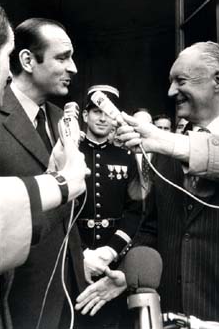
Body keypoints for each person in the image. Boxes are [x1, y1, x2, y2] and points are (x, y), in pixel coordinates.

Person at [116, 42, 219, 328]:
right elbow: (151, 226)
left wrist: (168, 143)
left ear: (218, 80)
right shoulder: (163, 153)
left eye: (181, 81)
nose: (171, 92)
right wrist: (126, 274)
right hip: (173, 315)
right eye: (171, 82)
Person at [0, 17, 88, 329]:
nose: (73, 68)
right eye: (62, 57)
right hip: (16, 298)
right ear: (26, 60)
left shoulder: (61, 118)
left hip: (70, 291)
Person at [76, 84, 142, 329]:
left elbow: (136, 211)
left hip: (114, 265)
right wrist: (80, 252)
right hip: (74, 260)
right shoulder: (70, 153)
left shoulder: (126, 158)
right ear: (85, 115)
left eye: (107, 113)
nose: (103, 118)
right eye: (96, 111)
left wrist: (111, 251)